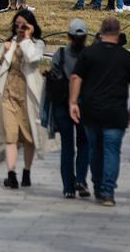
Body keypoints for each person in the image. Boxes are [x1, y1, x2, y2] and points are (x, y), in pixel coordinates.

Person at [69, 16, 130, 207]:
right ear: (118, 34)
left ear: (101, 32)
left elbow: (76, 77)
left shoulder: (90, 53)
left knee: (95, 149)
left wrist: (73, 102)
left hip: (92, 110)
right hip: (116, 112)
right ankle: (108, 191)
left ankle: (97, 185)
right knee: (111, 151)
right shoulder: (126, 57)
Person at [0, 9, 47, 189]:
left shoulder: (36, 43)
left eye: (23, 25)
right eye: (17, 25)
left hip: (27, 96)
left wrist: (26, 39)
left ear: (31, 26)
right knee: (10, 137)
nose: (19, 28)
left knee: (28, 137)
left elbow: (33, 59)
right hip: (8, 93)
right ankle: (11, 173)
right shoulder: (9, 42)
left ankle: (26, 171)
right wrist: (4, 52)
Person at [46, 19, 90, 199]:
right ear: (86, 37)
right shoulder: (89, 55)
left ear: (68, 36)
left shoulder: (61, 54)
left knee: (67, 146)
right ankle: (80, 178)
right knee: (84, 143)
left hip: (62, 103)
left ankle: (68, 187)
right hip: (83, 104)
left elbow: (52, 75)